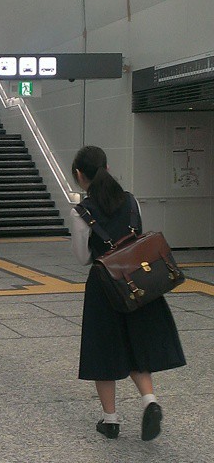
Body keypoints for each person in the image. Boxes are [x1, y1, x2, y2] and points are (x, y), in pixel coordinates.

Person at [70, 145, 185, 441]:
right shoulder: (132, 201)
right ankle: (149, 400)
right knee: (136, 345)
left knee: (103, 349)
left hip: (103, 285)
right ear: (107, 169)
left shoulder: (82, 211)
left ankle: (110, 420)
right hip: (136, 281)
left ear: (80, 175)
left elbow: (83, 257)